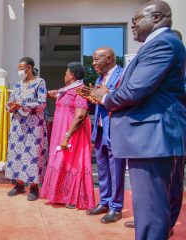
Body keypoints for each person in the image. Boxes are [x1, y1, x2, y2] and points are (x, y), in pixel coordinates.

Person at [80, 1, 186, 239]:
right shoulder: (161, 44)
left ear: (157, 17)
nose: (133, 25)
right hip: (151, 139)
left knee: (150, 212)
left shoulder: (162, 44)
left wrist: (106, 97)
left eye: (136, 20)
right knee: (154, 209)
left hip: (152, 140)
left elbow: (134, 90)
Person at [40, 62, 95, 210]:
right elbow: (53, 93)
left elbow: (81, 114)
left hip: (72, 134)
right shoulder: (66, 90)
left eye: (66, 72)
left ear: (71, 75)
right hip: (62, 131)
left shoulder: (80, 90)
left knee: (73, 164)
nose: (65, 75)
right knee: (61, 161)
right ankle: (60, 195)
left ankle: (74, 198)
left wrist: (67, 136)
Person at [84, 48, 125, 223]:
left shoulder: (123, 75)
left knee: (116, 170)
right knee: (102, 169)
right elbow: (99, 104)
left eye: (95, 60)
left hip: (116, 130)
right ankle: (105, 201)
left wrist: (106, 95)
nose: (93, 63)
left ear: (108, 58)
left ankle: (116, 207)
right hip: (100, 130)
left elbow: (125, 99)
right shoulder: (100, 78)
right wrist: (91, 98)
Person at [5, 57, 48, 201]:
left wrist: (22, 104)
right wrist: (10, 106)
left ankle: (34, 187)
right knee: (17, 152)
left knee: (33, 155)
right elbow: (10, 100)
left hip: (34, 125)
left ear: (29, 68)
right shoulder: (17, 85)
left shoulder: (39, 82)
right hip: (18, 125)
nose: (19, 71)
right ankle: (19, 184)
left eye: (21, 68)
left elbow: (42, 103)